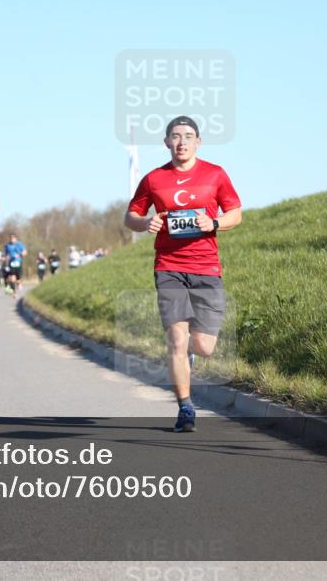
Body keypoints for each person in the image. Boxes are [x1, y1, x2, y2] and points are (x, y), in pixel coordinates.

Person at [124, 115, 242, 433]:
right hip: (169, 267)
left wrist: (214, 223)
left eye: (188, 136)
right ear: (166, 142)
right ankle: (186, 408)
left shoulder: (215, 174)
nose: (182, 142)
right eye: (175, 136)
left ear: (198, 142)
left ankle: (188, 355)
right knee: (177, 339)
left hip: (206, 268)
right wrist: (144, 223)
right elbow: (131, 215)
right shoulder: (153, 179)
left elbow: (236, 213)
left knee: (203, 346)